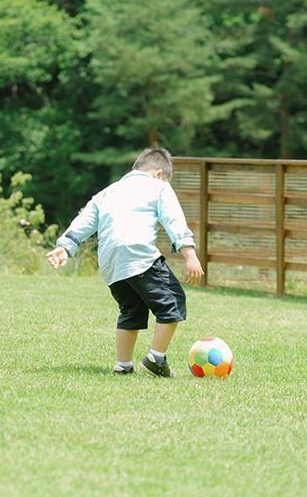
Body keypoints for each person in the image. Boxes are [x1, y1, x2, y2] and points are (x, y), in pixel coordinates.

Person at [46, 147, 204, 377]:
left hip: (110, 262)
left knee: (131, 309)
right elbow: (174, 220)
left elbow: (84, 221)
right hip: (137, 253)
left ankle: (123, 365)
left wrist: (65, 247)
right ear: (159, 174)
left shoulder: (108, 192)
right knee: (172, 302)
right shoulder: (159, 186)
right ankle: (156, 360)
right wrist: (190, 254)